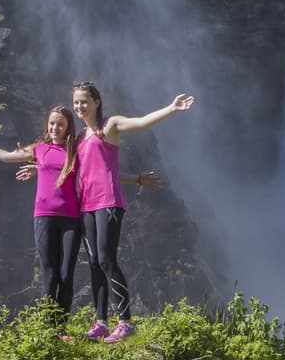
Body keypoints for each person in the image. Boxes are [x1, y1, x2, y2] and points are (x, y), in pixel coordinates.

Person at [0, 105, 159, 314]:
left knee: (66, 275)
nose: (55, 127)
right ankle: (49, 330)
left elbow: (101, 172)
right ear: (47, 125)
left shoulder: (76, 150)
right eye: (52, 123)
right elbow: (7, 157)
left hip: (71, 218)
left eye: (60, 124)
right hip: (44, 217)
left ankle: (61, 328)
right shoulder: (39, 149)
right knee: (49, 274)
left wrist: (137, 179)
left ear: (68, 127)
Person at [69, 81, 194, 341]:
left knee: (106, 259)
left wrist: (171, 108)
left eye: (84, 101)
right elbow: (100, 170)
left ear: (96, 102)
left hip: (108, 201)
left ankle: (125, 322)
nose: (80, 106)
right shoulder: (81, 137)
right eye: (76, 102)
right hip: (86, 204)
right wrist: (136, 179)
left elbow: (142, 122)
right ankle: (100, 322)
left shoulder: (110, 126)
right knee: (93, 263)